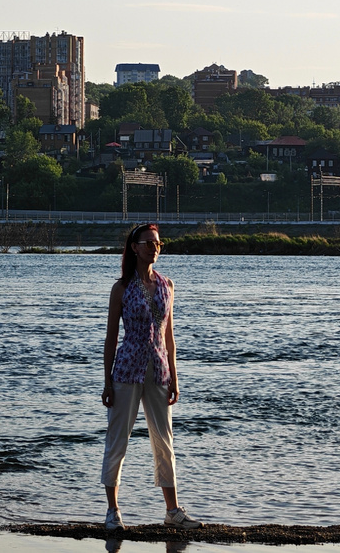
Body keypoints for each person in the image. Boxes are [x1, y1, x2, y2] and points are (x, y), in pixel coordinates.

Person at [101, 222, 202, 531]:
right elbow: (111, 337)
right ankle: (113, 512)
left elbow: (168, 336)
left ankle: (172, 511)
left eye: (157, 243)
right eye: (148, 243)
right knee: (118, 440)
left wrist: (175, 376)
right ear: (134, 248)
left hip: (158, 370)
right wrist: (107, 382)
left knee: (164, 441)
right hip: (127, 370)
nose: (154, 248)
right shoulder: (121, 289)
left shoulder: (167, 286)